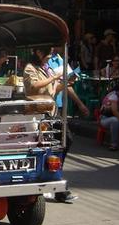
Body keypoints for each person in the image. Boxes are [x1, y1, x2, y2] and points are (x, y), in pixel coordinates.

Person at [24, 46, 80, 203]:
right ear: (38, 53)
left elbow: (52, 90)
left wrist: (67, 82)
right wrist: (54, 77)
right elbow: (34, 86)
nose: (49, 59)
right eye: (47, 56)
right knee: (50, 147)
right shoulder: (30, 68)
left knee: (65, 140)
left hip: (51, 112)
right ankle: (56, 185)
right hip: (38, 114)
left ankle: (55, 177)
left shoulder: (45, 68)